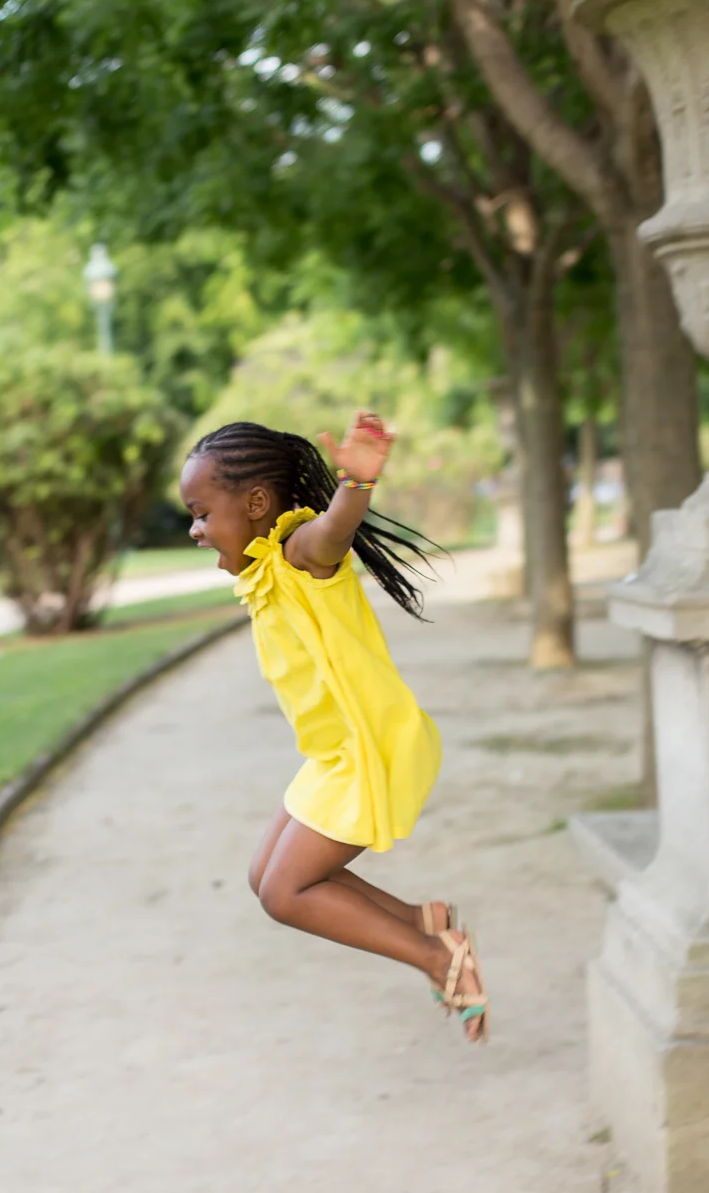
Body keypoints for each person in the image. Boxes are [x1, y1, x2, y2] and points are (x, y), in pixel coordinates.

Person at [179, 410, 488, 1041]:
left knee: (286, 893)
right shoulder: (267, 566)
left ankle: (438, 957)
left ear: (256, 503)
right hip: (334, 755)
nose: (195, 529)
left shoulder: (299, 553)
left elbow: (333, 532)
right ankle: (425, 922)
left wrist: (358, 484)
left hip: (371, 749)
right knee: (264, 877)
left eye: (202, 513)